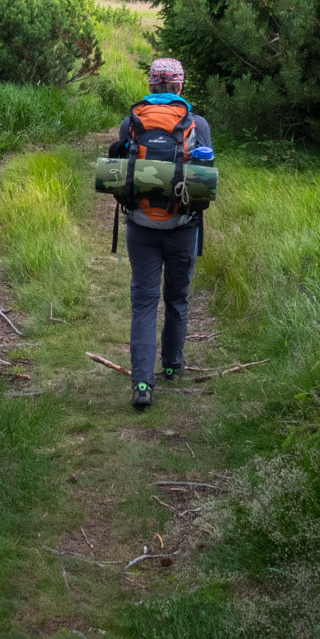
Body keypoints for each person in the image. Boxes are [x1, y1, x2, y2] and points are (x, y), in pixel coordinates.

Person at [109, 57, 212, 410]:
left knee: (144, 303)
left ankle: (141, 382)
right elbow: (204, 182)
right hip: (183, 228)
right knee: (177, 298)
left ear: (151, 86)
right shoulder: (198, 124)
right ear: (180, 87)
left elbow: (119, 176)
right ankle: (171, 364)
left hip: (140, 227)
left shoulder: (131, 122)